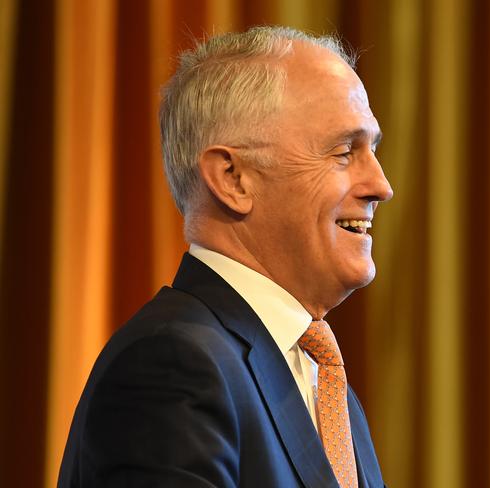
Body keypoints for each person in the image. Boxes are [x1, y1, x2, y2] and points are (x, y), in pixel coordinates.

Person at [58, 25, 393, 488]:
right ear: (233, 178)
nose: (381, 185)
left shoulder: (326, 389)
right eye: (342, 152)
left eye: (372, 150)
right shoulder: (172, 366)